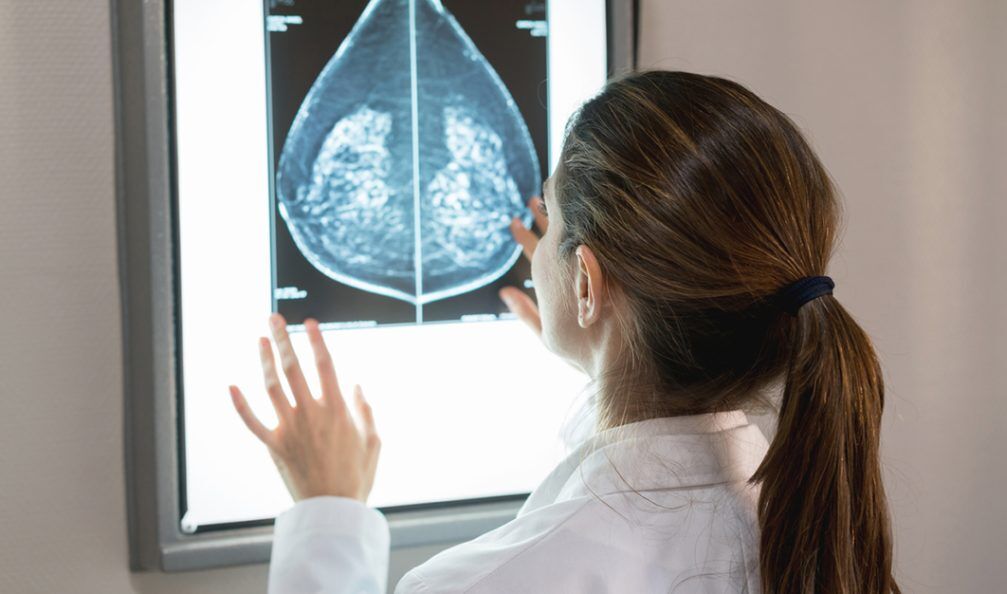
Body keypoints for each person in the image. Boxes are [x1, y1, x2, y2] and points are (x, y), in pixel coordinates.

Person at [229, 69, 901, 594]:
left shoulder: (475, 586)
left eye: (547, 221)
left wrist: (327, 515)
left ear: (586, 282)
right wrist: (602, 346)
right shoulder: (813, 519)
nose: (533, 246)